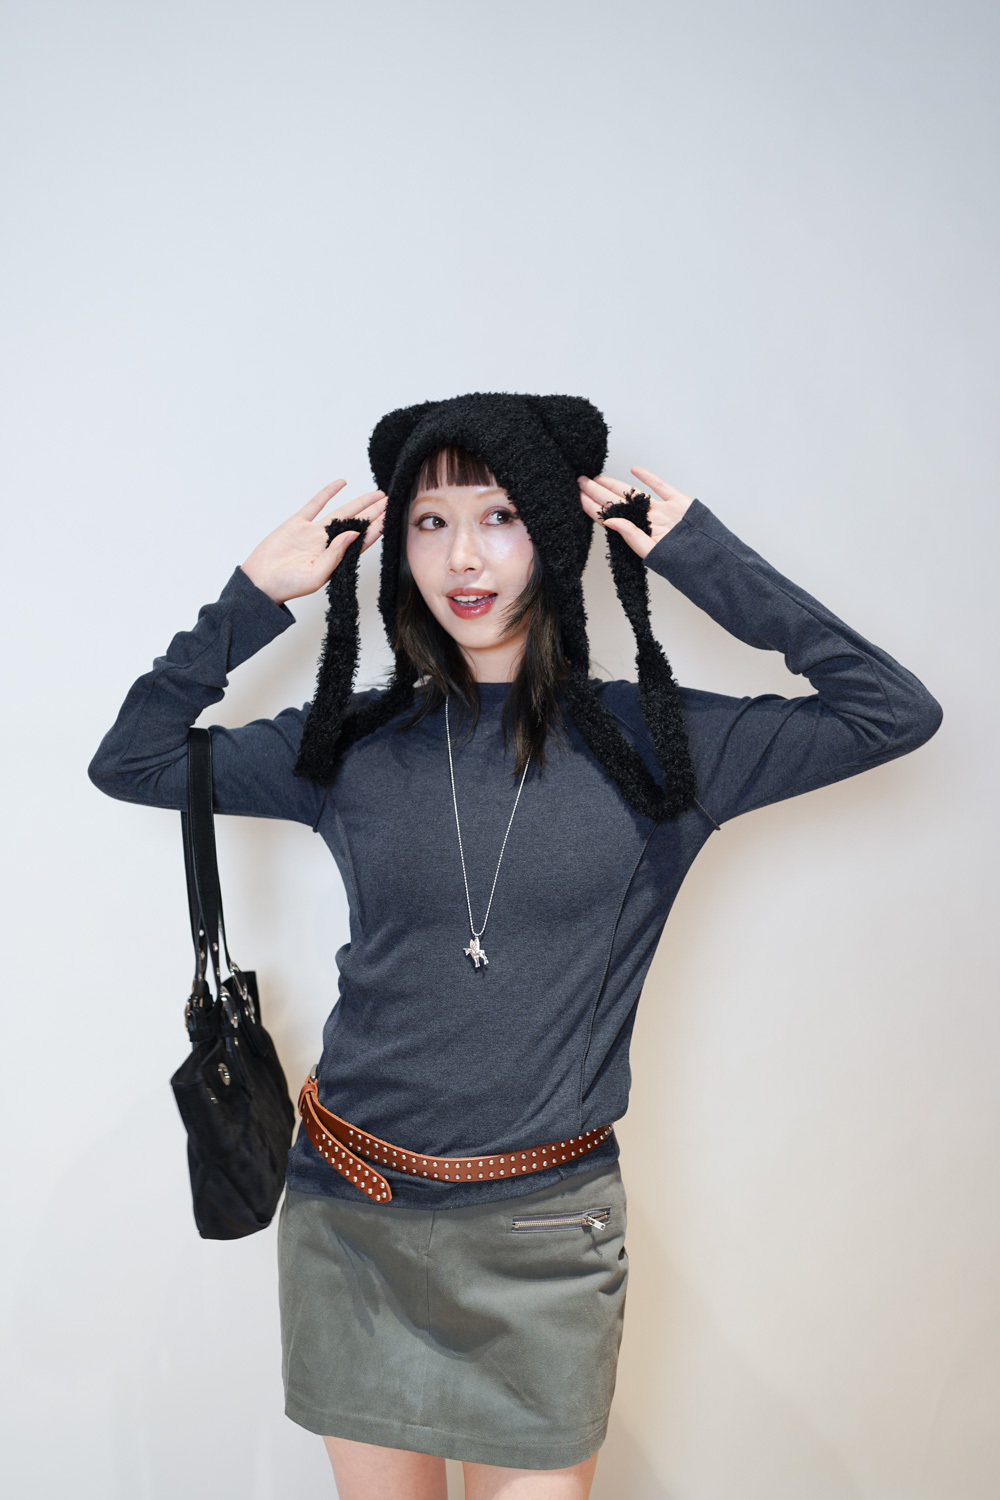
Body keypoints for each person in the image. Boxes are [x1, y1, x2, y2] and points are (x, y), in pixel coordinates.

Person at [89, 392, 942, 1500]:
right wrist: (251, 600)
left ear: (556, 532)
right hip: (350, 1221)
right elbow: (134, 761)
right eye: (430, 523)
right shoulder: (351, 745)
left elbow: (890, 713)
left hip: (543, 1237)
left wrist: (704, 559)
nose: (463, 557)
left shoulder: (661, 746)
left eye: (499, 516)